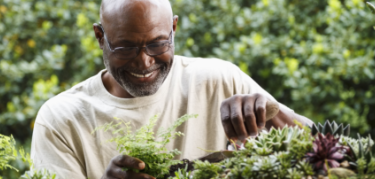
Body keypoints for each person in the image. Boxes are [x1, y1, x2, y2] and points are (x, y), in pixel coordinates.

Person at [30, 0, 313, 178]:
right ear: (100, 37)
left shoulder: (219, 79)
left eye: (157, 43)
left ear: (174, 28)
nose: (144, 61)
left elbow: (326, 149)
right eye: (126, 46)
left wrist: (267, 113)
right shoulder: (60, 118)